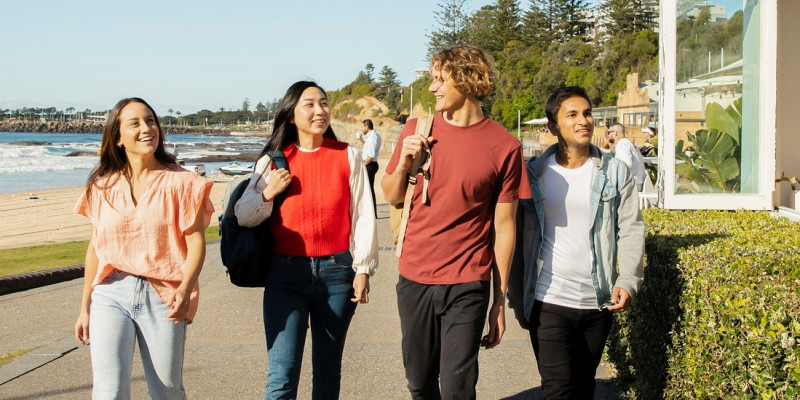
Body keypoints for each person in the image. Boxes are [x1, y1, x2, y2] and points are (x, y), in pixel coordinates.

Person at [381, 45, 530, 399]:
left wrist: (499, 301)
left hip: (468, 282)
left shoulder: (505, 146)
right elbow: (391, 195)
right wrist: (405, 161)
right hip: (414, 276)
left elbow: (504, 228)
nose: (433, 88)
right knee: (418, 382)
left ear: (465, 79)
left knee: (458, 389)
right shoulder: (417, 130)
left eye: (439, 79)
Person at [234, 81, 377, 400]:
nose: (319, 110)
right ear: (290, 116)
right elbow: (244, 214)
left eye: (324, 103)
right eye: (309, 104)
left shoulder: (348, 156)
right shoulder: (274, 159)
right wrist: (269, 190)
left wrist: (364, 268)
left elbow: (363, 214)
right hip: (284, 276)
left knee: (327, 374)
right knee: (282, 376)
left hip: (339, 273)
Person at [508, 86, 644, 399]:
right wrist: (517, 298)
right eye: (572, 115)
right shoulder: (533, 175)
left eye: (587, 113)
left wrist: (628, 279)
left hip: (598, 300)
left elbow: (631, 228)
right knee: (558, 390)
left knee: (583, 388)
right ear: (553, 126)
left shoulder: (615, 172)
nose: (584, 121)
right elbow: (517, 241)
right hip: (548, 301)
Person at [73, 97, 214, 399]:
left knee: (166, 391)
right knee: (108, 392)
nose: (146, 128)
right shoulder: (102, 186)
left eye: (150, 120)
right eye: (134, 123)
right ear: (118, 137)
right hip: (110, 292)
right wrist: (85, 306)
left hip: (163, 295)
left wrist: (185, 289)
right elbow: (96, 248)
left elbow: (196, 243)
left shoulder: (184, 183)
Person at [607, 123, 647, 191]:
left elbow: (626, 164)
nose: (608, 135)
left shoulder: (622, 144)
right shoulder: (628, 143)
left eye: (609, 132)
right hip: (638, 182)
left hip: (630, 186)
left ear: (615, 133)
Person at [358, 118, 382, 217]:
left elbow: (371, 155)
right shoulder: (370, 137)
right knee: (367, 188)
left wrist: (362, 166)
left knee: (368, 188)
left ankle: (372, 212)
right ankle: (370, 212)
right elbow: (367, 148)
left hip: (370, 165)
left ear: (367, 126)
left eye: (362, 126)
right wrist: (360, 140)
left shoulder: (373, 137)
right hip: (369, 164)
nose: (361, 129)